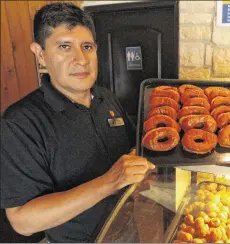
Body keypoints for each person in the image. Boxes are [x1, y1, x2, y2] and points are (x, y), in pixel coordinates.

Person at [0, 2, 154, 242]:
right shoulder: (20, 123)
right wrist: (109, 182)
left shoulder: (106, 97)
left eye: (87, 46)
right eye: (64, 47)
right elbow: (23, 221)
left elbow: (131, 154)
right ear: (40, 54)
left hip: (128, 230)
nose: (80, 59)